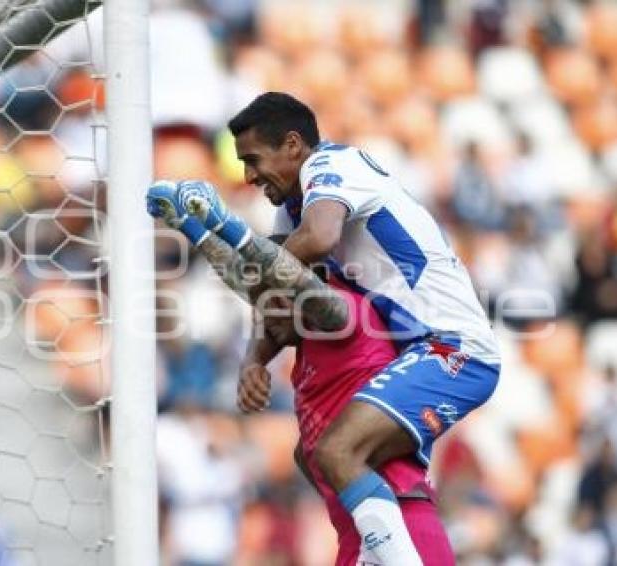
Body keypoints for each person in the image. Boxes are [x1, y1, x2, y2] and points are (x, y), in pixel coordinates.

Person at [159, 90, 501, 564]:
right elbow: (286, 295)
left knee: (338, 450)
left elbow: (312, 249)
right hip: (415, 349)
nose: (248, 175)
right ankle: (374, 545)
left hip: (453, 349)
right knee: (314, 453)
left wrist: (229, 235)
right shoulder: (297, 210)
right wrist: (256, 357)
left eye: (253, 159)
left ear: (294, 145)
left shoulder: (332, 168)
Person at [147, 180, 455, 564]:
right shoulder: (308, 351)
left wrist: (222, 222)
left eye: (277, 305)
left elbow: (297, 285)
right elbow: (252, 285)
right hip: (360, 531)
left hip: (401, 525)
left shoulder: (348, 313)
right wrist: (191, 228)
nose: (266, 319)